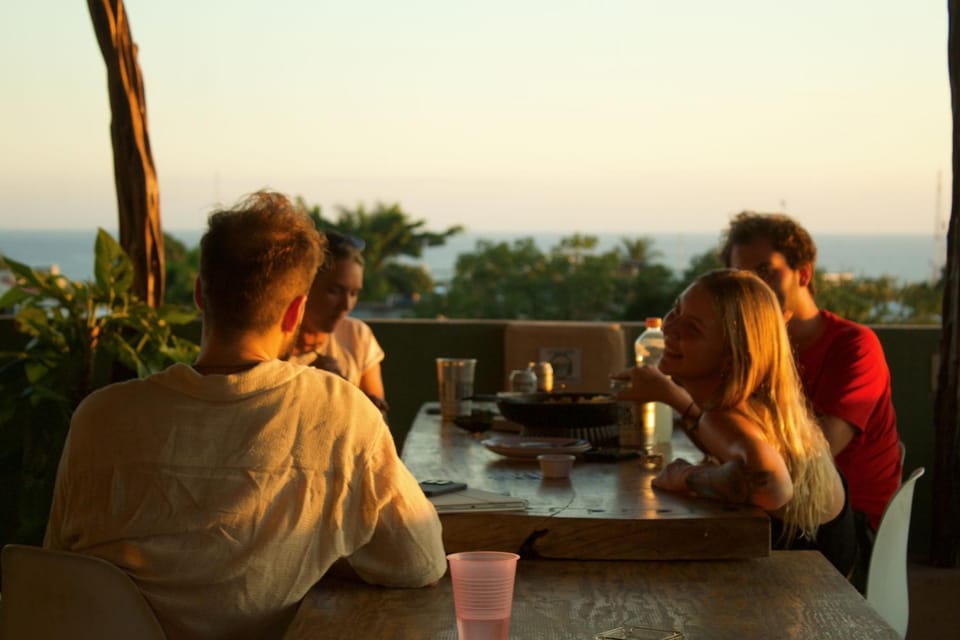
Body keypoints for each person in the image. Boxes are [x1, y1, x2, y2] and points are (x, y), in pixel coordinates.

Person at [44, 191, 446, 639]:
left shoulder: (100, 416)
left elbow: (60, 566)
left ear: (200, 292)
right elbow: (419, 563)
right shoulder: (342, 412)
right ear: (295, 311)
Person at [617, 269, 856, 574]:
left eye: (692, 327)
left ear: (731, 355)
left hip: (800, 598)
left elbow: (772, 485)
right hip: (829, 580)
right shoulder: (760, 408)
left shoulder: (726, 415)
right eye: (675, 310)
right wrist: (674, 397)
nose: (669, 328)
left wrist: (687, 476)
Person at [719, 212, 901, 551]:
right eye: (741, 278)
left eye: (763, 271)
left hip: (847, 522)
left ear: (803, 273)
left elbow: (816, 452)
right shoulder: (751, 349)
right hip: (781, 508)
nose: (753, 289)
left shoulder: (855, 346)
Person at [291, 230, 388, 415]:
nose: (346, 305)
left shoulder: (357, 335)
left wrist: (342, 387)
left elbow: (380, 424)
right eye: (334, 290)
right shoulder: (273, 342)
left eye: (354, 293)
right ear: (306, 286)